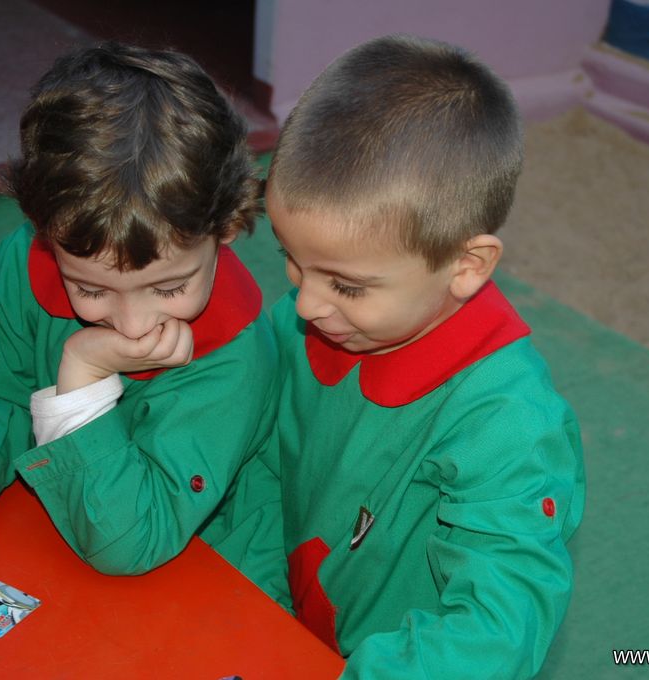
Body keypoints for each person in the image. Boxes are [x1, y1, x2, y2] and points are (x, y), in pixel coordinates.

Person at [205, 34, 586, 679]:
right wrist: (259, 618)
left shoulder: (508, 425)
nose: (305, 306)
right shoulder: (318, 322)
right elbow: (261, 471)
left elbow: (497, 629)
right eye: (292, 261)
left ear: (467, 265)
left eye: (347, 285)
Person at [0, 42, 277, 579]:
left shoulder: (236, 355)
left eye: (171, 287)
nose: (133, 325)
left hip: (220, 582)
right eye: (91, 289)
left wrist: (83, 375)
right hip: (66, 545)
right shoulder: (26, 258)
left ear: (227, 227)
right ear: (45, 235)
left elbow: (129, 542)